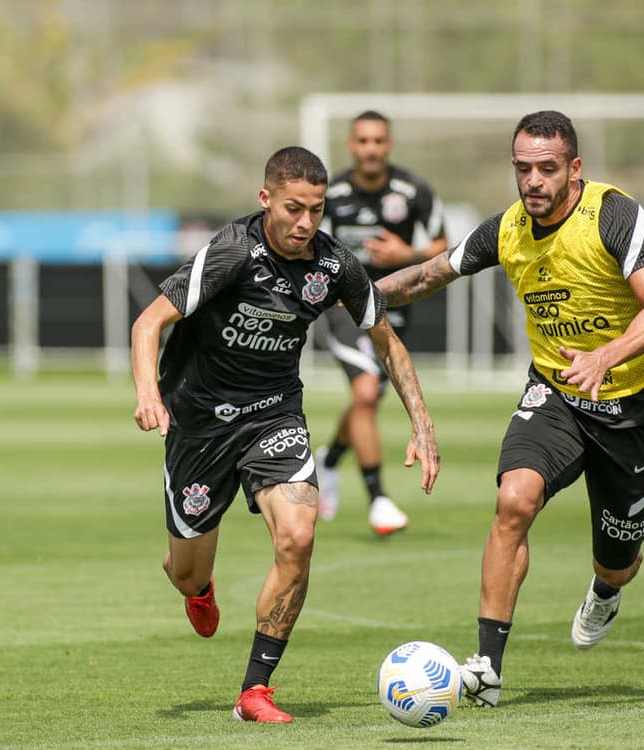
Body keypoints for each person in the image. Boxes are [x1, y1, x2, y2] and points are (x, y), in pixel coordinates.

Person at [375, 111, 644, 707]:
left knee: (618, 560)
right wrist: (357, 295)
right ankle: (486, 670)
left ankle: (606, 589)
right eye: (523, 168)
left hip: (634, 405)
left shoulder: (615, 215)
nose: (533, 181)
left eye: (547, 169)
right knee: (513, 499)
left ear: (574, 170)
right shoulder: (505, 230)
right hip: (555, 395)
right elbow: (431, 274)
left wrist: (605, 357)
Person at [131, 146, 441, 723]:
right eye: (294, 208)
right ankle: (196, 586)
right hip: (198, 427)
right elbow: (148, 321)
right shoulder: (230, 252)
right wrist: (149, 393)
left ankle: (255, 692)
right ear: (265, 198)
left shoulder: (332, 264)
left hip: (274, 417)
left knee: (298, 537)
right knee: (188, 571)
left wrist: (423, 427)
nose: (305, 224)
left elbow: (387, 340)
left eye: (316, 211)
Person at [314, 110, 449, 536]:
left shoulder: (412, 191)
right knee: (367, 393)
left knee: (364, 402)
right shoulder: (332, 193)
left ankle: (329, 460)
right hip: (344, 310)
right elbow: (308, 240)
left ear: (388, 144)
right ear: (351, 145)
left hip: (393, 310)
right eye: (362, 141)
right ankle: (378, 501)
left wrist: (406, 255)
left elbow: (444, 243)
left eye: (378, 141)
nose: (370, 149)